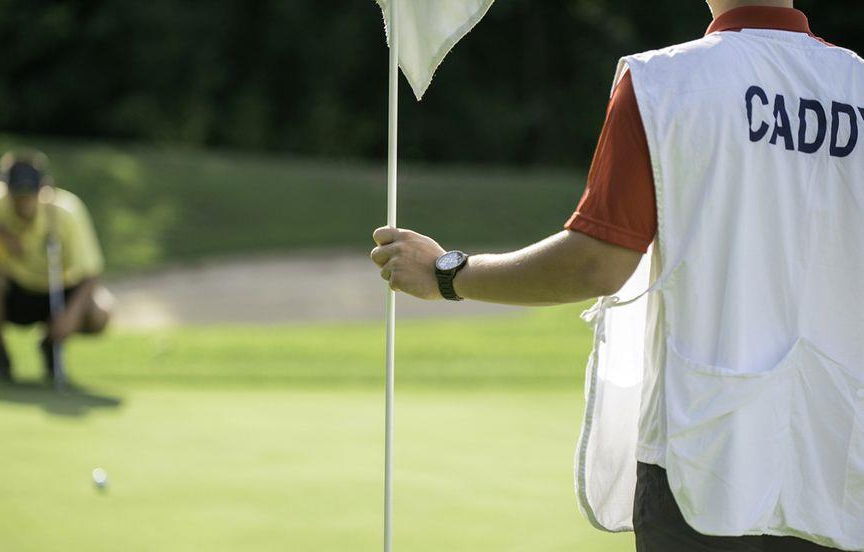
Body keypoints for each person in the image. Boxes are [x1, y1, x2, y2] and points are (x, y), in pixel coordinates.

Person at [370, 1, 863, 551]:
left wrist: (449, 274)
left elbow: (596, 264)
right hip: (841, 468)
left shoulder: (666, 81)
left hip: (705, 461)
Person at [0, 150, 113, 383]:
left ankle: (49, 345)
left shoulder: (67, 211)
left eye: (29, 195)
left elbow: (90, 272)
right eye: (17, 195)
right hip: (12, 292)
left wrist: (71, 316)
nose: (23, 203)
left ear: (44, 189)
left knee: (101, 312)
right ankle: (0, 355)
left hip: (57, 293)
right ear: (4, 189)